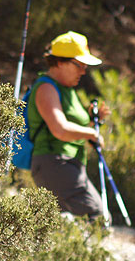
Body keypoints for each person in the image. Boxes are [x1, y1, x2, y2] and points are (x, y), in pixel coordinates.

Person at [27, 31, 109, 219]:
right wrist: (91, 133)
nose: (83, 71)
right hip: (54, 163)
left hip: (69, 164)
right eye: (79, 65)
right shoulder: (46, 88)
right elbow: (60, 129)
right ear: (60, 61)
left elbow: (72, 131)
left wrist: (93, 124)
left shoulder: (68, 90)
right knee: (97, 217)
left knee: (71, 222)